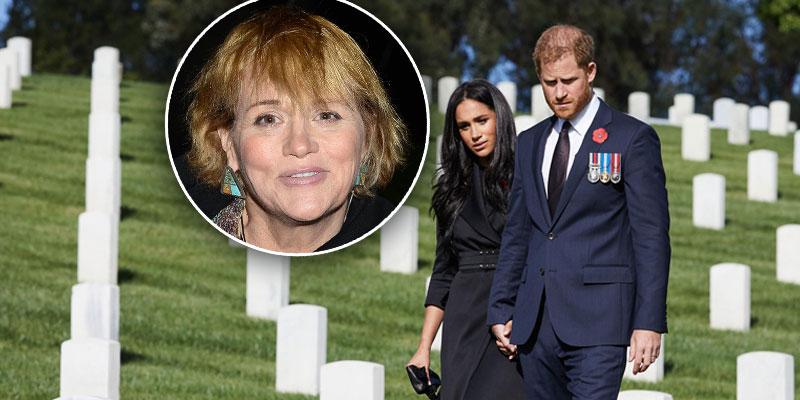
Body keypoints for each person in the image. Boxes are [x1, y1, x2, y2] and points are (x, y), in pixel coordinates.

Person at [487, 25, 671, 399]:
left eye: (568, 80)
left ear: (590, 72)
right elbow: (518, 232)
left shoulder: (631, 138)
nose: (558, 93)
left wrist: (648, 322)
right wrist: (501, 307)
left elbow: (650, 236)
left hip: (600, 323)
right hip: (535, 323)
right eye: (549, 82)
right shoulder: (530, 142)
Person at [185, 6, 406, 253]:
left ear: (368, 136)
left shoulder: (400, 239)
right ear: (228, 143)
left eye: (326, 116)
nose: (300, 145)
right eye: (268, 119)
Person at [408, 79, 525, 400]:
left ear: (499, 117)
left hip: (513, 307)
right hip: (464, 315)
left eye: (481, 121)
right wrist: (423, 349)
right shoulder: (451, 190)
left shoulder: (527, 178)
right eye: (463, 126)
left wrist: (522, 315)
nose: (474, 134)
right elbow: (444, 271)